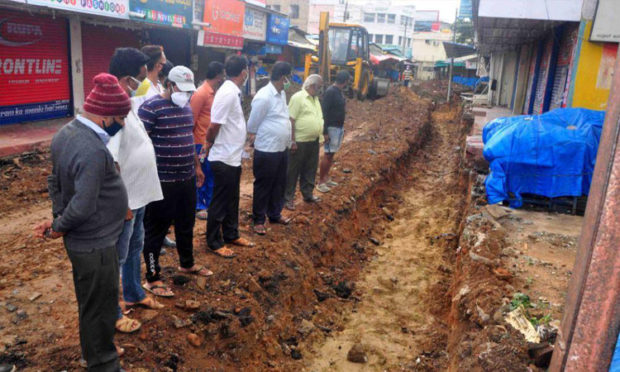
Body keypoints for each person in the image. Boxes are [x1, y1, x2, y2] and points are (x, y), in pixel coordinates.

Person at [34, 73, 131, 371]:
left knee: (91, 303)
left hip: (88, 241)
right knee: (100, 308)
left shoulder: (66, 133)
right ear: (104, 117)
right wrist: (58, 226)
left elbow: (56, 182)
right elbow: (84, 205)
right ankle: (103, 363)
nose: (123, 124)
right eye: (120, 118)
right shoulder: (90, 149)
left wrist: (56, 216)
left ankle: (95, 352)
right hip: (95, 244)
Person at [138, 66, 211, 297]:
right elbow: (140, 144)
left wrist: (197, 167)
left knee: (186, 224)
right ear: (169, 85)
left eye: (190, 91)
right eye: (182, 89)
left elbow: (188, 139)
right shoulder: (150, 108)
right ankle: (152, 277)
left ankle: (186, 262)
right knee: (156, 230)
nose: (187, 95)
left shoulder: (186, 108)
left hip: (186, 178)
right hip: (161, 182)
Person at [107, 48, 165, 330]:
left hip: (140, 194)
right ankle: (113, 313)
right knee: (116, 256)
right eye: (138, 79)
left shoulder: (127, 103)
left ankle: (133, 293)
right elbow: (112, 161)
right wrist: (123, 203)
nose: (143, 85)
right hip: (126, 199)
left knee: (135, 247)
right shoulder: (112, 109)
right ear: (125, 78)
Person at [204, 55, 255, 258]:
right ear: (243, 72)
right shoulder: (227, 93)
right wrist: (209, 142)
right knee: (220, 200)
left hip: (233, 156)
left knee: (232, 198)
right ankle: (214, 241)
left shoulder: (233, 91)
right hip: (223, 157)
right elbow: (214, 125)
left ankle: (231, 233)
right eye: (247, 71)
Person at [247, 62, 293, 235]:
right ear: (283, 77)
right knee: (264, 185)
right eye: (288, 77)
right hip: (267, 149)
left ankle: (274, 213)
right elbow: (252, 124)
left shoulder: (281, 94)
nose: (289, 81)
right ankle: (259, 219)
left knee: (279, 183)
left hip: (281, 148)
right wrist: (252, 136)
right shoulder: (264, 96)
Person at [190, 61, 225, 221]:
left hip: (210, 142)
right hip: (200, 142)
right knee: (202, 173)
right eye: (222, 74)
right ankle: (200, 206)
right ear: (218, 75)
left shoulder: (214, 93)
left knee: (210, 174)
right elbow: (192, 121)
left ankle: (208, 203)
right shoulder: (201, 93)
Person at [284, 74, 324, 211]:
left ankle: (307, 194)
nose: (320, 89)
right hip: (299, 142)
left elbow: (318, 117)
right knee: (292, 171)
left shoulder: (315, 99)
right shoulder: (298, 98)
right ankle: (287, 198)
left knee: (310, 169)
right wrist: (292, 141)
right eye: (319, 87)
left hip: (313, 141)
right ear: (312, 86)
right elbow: (291, 120)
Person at [317, 70, 350, 193]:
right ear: (345, 81)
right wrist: (325, 131)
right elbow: (324, 112)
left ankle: (326, 178)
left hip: (338, 127)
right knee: (328, 154)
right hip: (331, 128)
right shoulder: (331, 92)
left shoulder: (338, 92)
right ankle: (321, 182)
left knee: (332, 154)